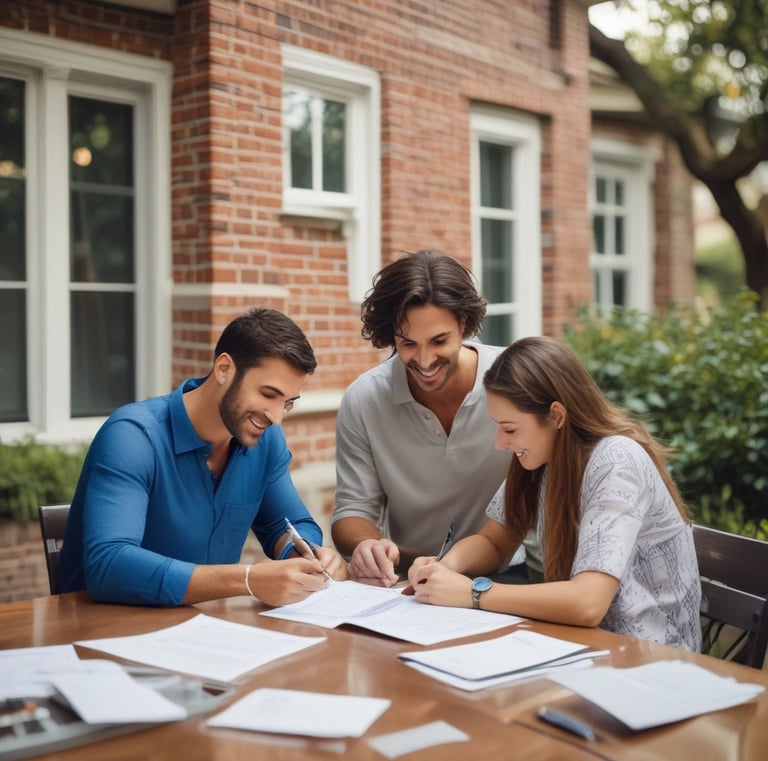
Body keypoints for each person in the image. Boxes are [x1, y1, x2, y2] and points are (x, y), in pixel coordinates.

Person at [406, 335, 702, 652]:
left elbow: (588, 603)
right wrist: (445, 568)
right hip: (588, 648)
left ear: (557, 416)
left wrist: (473, 593)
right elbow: (495, 541)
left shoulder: (616, 461)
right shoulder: (546, 459)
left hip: (654, 664)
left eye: (509, 428)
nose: (499, 443)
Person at [59, 307, 347, 606]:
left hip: (201, 630)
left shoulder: (266, 440)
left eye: (287, 403)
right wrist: (247, 579)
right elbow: (109, 565)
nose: (276, 417)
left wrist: (307, 554)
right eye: (267, 394)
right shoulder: (132, 437)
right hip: (99, 632)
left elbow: (286, 524)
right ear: (224, 369)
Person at [332, 249, 538, 586]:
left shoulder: (513, 382)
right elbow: (352, 509)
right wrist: (366, 545)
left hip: (501, 574)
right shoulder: (363, 399)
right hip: (403, 579)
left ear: (463, 323)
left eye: (439, 341)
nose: (424, 360)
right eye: (408, 343)